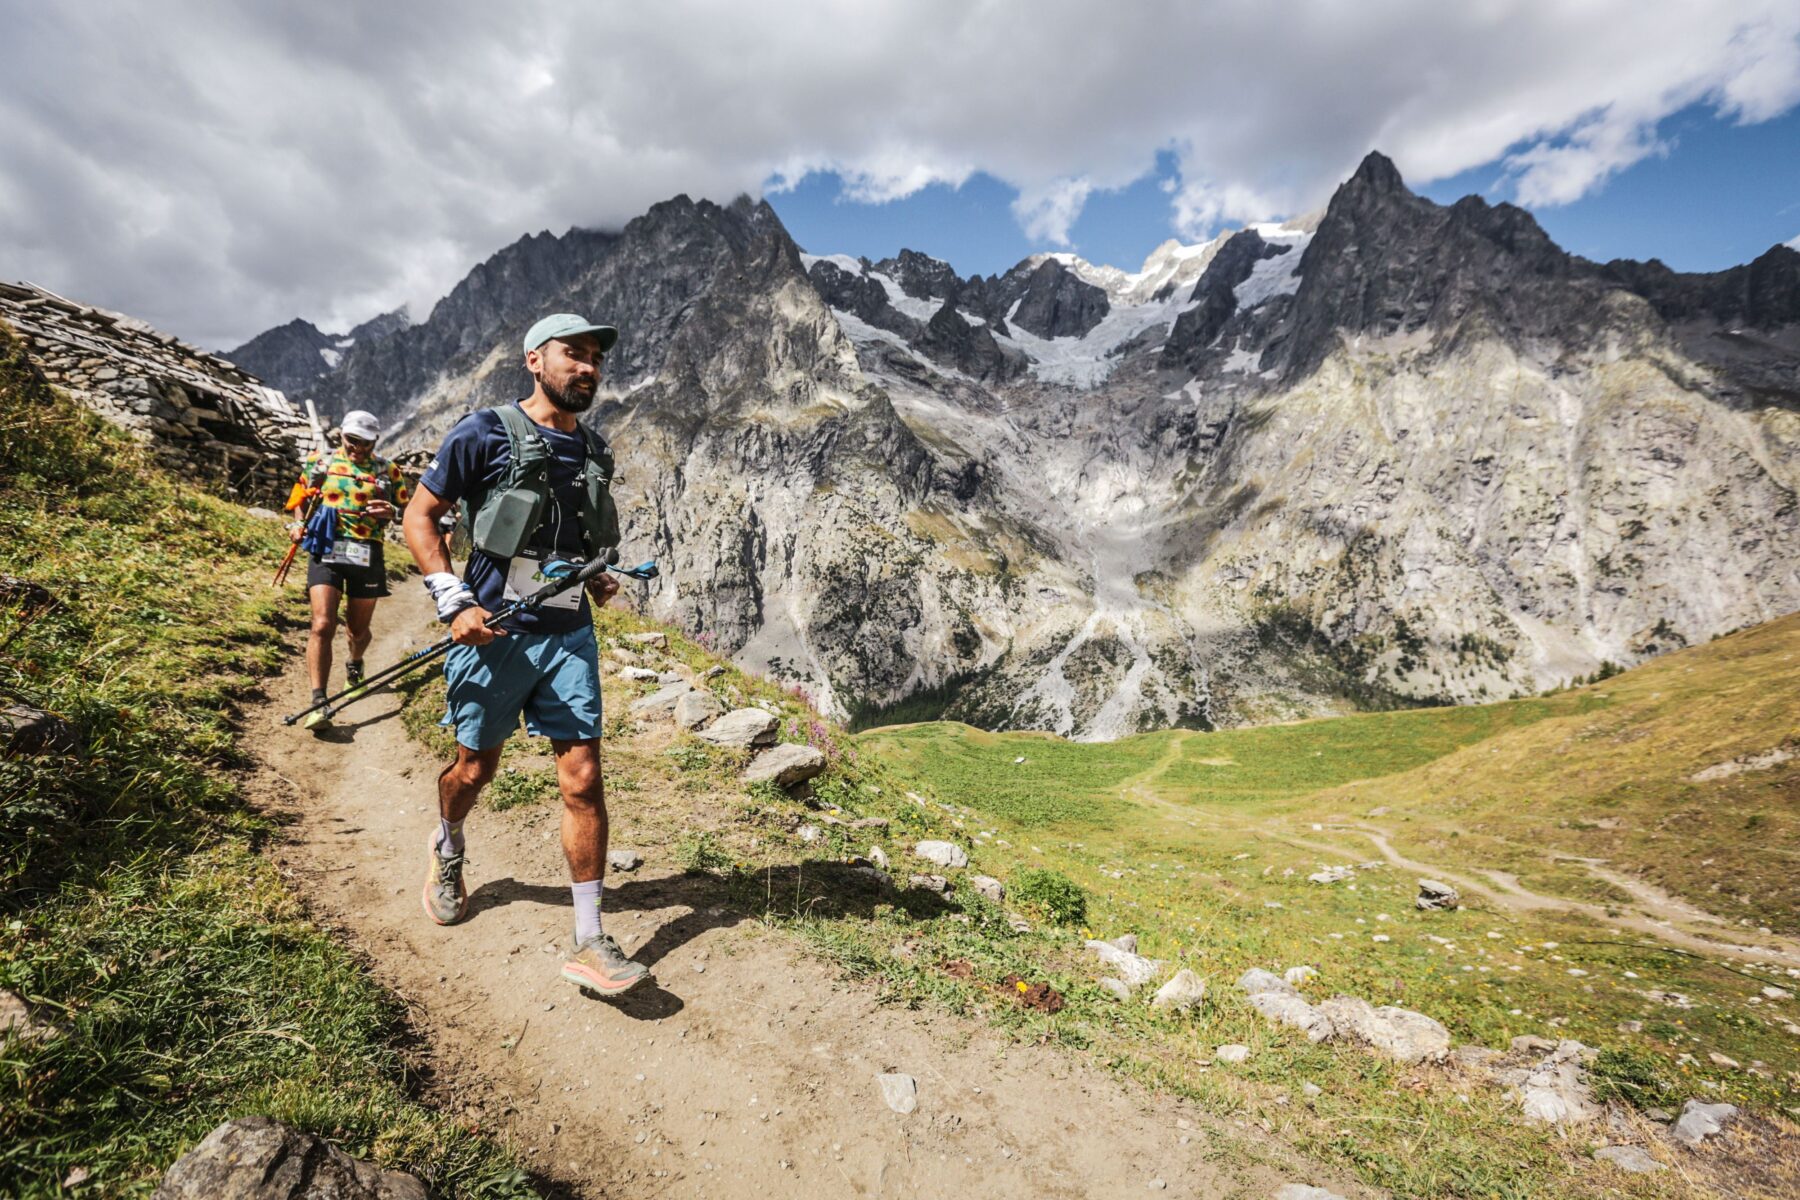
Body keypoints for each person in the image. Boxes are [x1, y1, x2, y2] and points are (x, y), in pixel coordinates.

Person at [401, 312, 648, 996]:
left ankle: (591, 937)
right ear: (535, 360)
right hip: (496, 630)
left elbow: (577, 543)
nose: (589, 367)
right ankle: (448, 844)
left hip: (568, 630)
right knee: (474, 769)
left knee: (583, 774)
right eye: (575, 353)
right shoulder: (483, 432)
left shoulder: (594, 451)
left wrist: (593, 575)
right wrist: (453, 598)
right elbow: (420, 516)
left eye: (596, 357)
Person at [292, 410, 409, 729]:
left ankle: (355, 664)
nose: (357, 447)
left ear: (376, 441)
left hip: (366, 553)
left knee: (357, 630)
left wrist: (391, 512)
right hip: (326, 548)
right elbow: (299, 496)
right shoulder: (322, 463)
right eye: (351, 440)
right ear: (341, 435)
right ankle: (319, 701)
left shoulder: (388, 470)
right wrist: (298, 523)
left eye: (365, 443)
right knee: (322, 624)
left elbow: (406, 509)